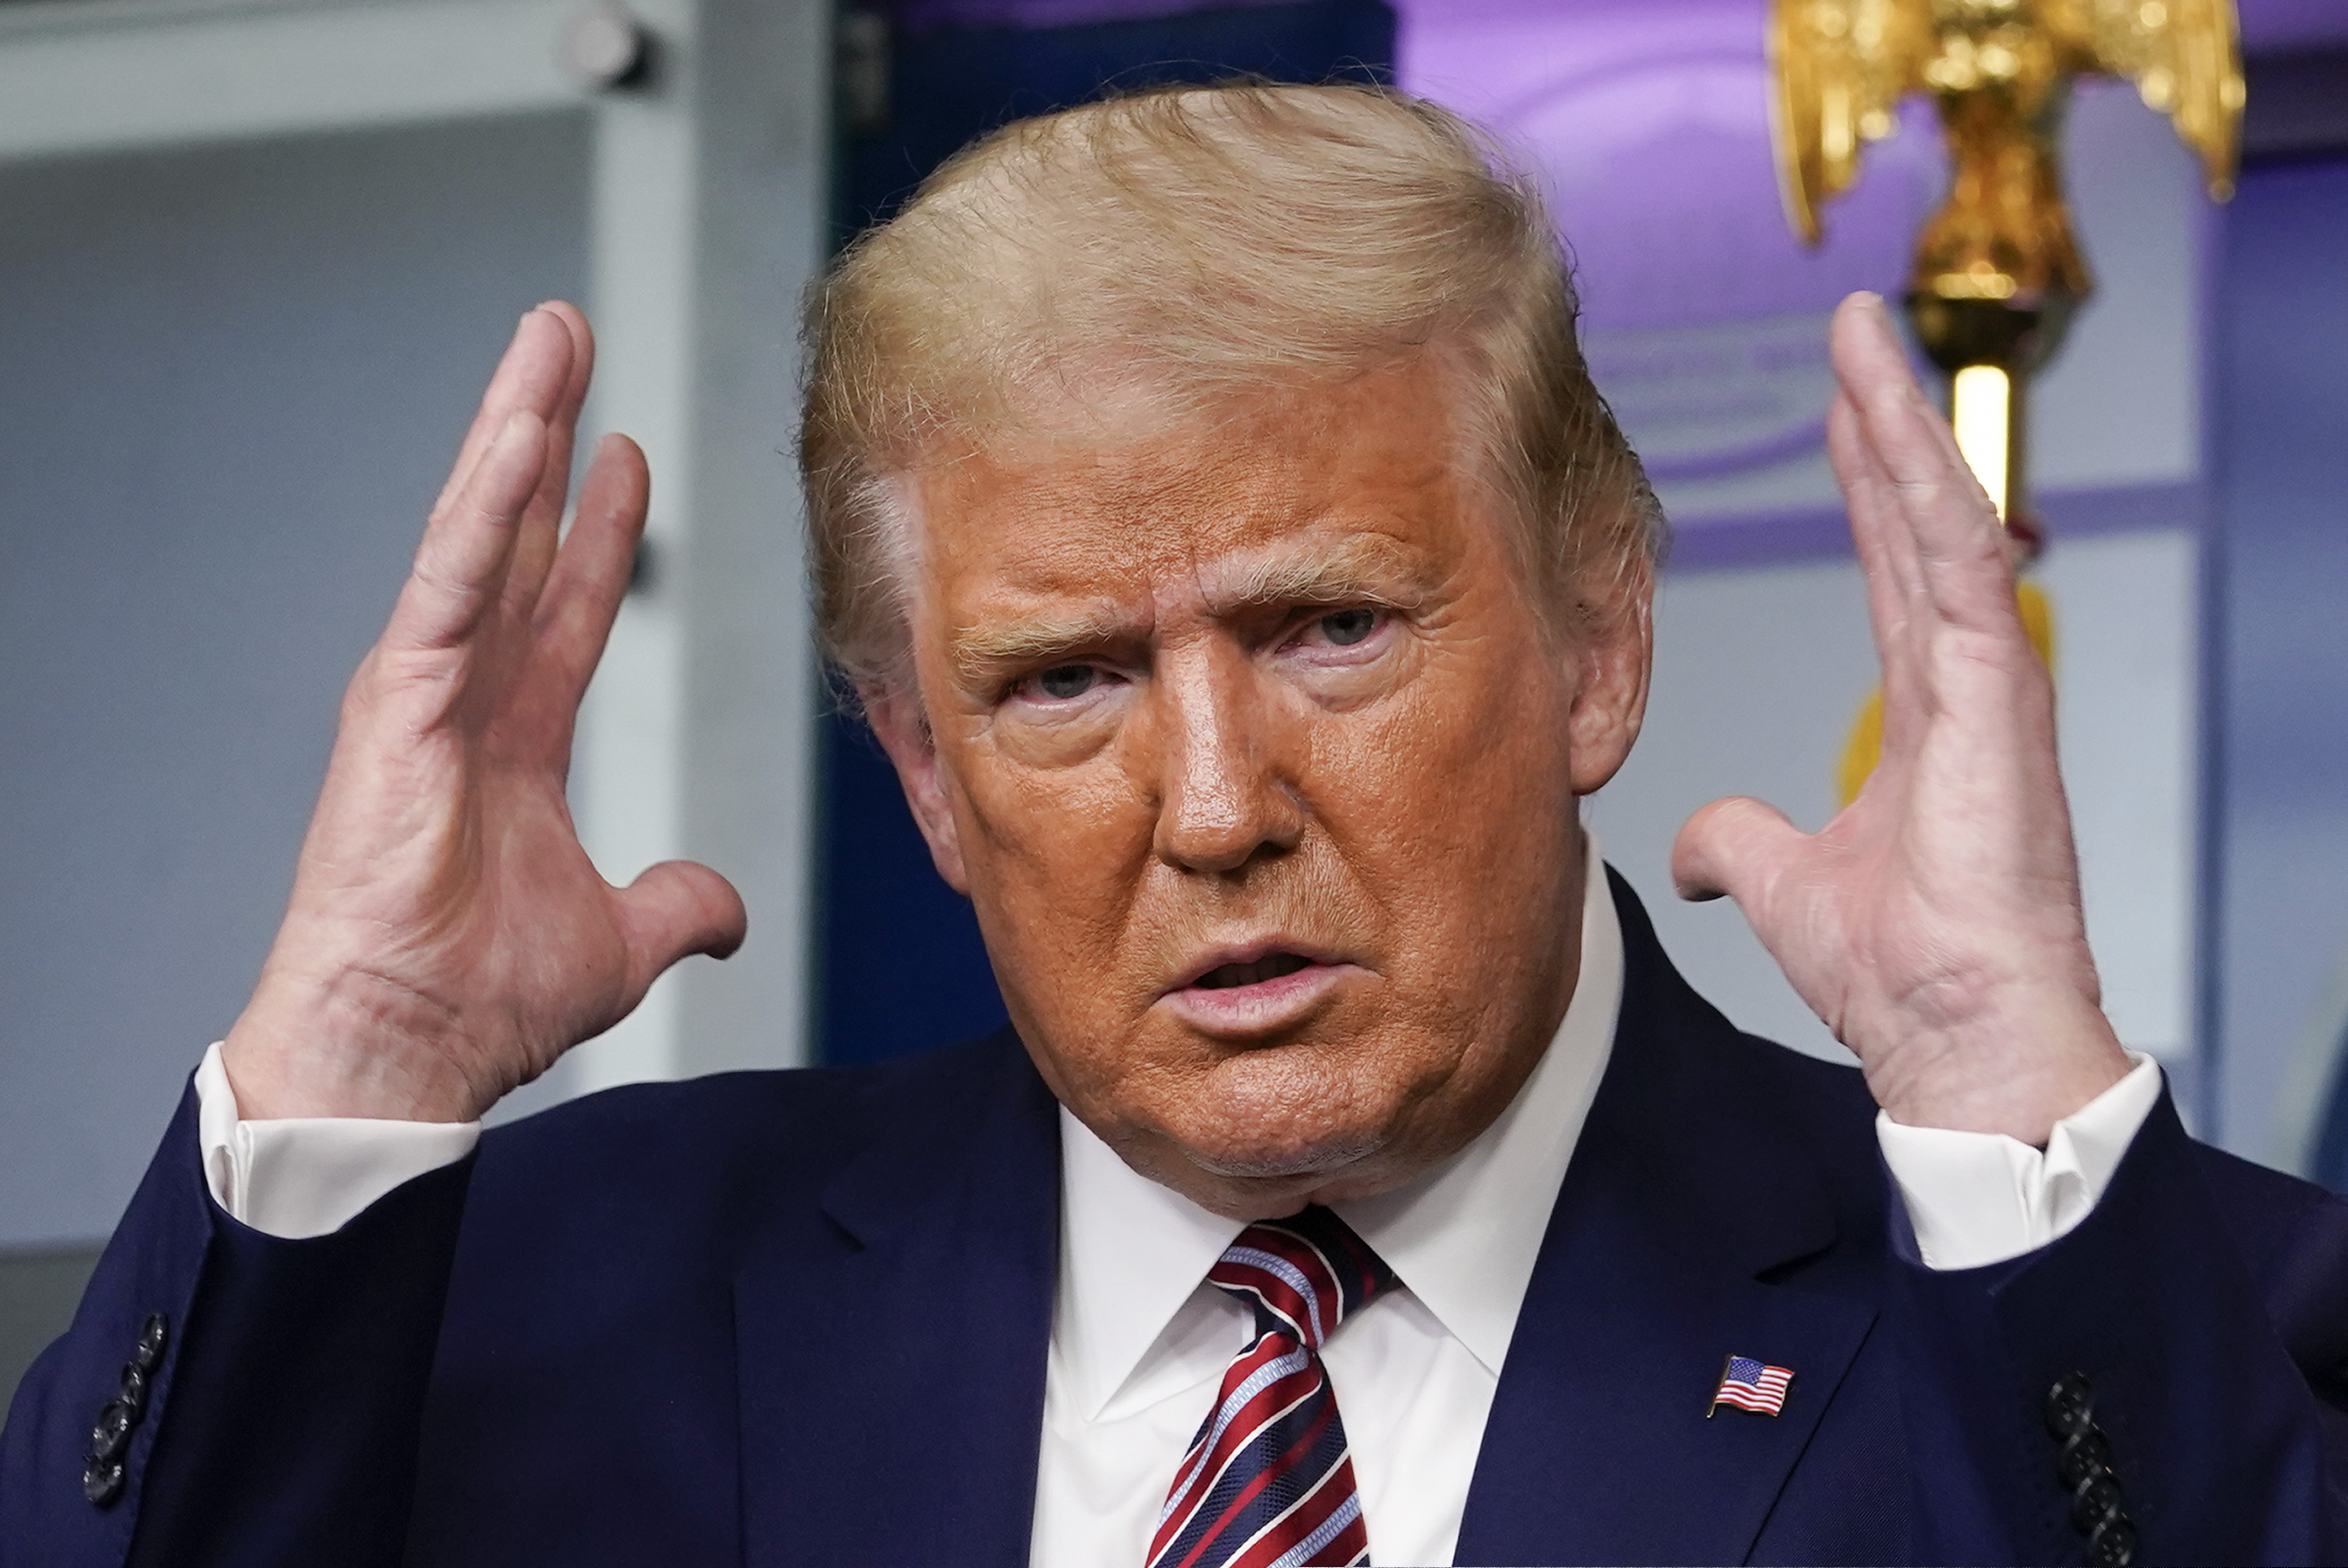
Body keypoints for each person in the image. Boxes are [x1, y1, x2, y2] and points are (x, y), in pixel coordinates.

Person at [4, 83, 2343, 1568]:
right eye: (1060, 682)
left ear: (1597, 650)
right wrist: (356, 1043)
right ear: (919, 770)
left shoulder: (2150, 1318)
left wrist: (1995, 1106)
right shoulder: (522, 1293)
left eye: (1328, 627)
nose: (1211, 813)